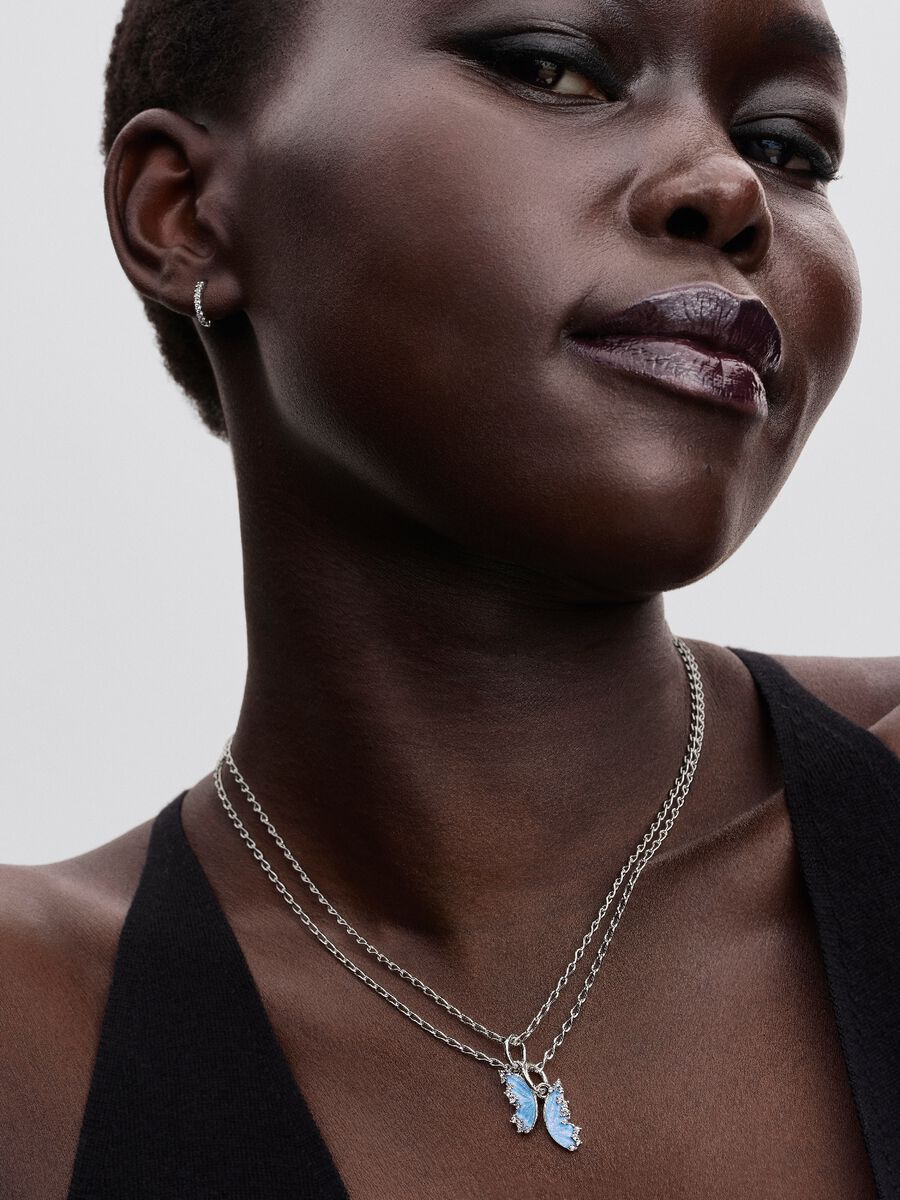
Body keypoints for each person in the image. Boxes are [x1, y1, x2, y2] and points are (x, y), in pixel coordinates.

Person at [2, 0, 898, 1196]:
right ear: (184, 211)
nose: (731, 187)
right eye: (553, 69)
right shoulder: (31, 1034)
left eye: (790, 146)